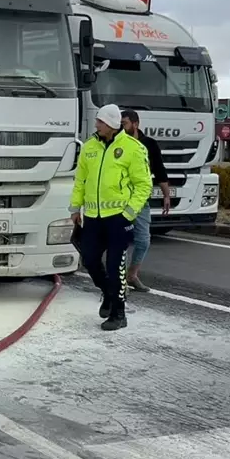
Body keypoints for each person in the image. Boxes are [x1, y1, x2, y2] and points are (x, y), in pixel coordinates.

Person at [70, 104, 153, 331]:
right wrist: (75, 208)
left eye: (100, 122)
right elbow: (80, 181)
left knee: (116, 266)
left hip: (118, 218)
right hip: (94, 218)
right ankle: (108, 293)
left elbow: (144, 185)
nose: (96, 125)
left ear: (112, 124)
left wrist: (129, 213)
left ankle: (119, 314)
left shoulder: (133, 148)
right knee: (89, 260)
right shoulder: (89, 147)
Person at [120, 109, 170, 292]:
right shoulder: (117, 145)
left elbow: (159, 169)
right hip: (120, 200)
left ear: (135, 124)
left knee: (143, 240)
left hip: (140, 201)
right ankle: (118, 280)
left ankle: (132, 275)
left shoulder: (149, 144)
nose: (121, 127)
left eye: (124, 123)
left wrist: (166, 195)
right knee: (120, 240)